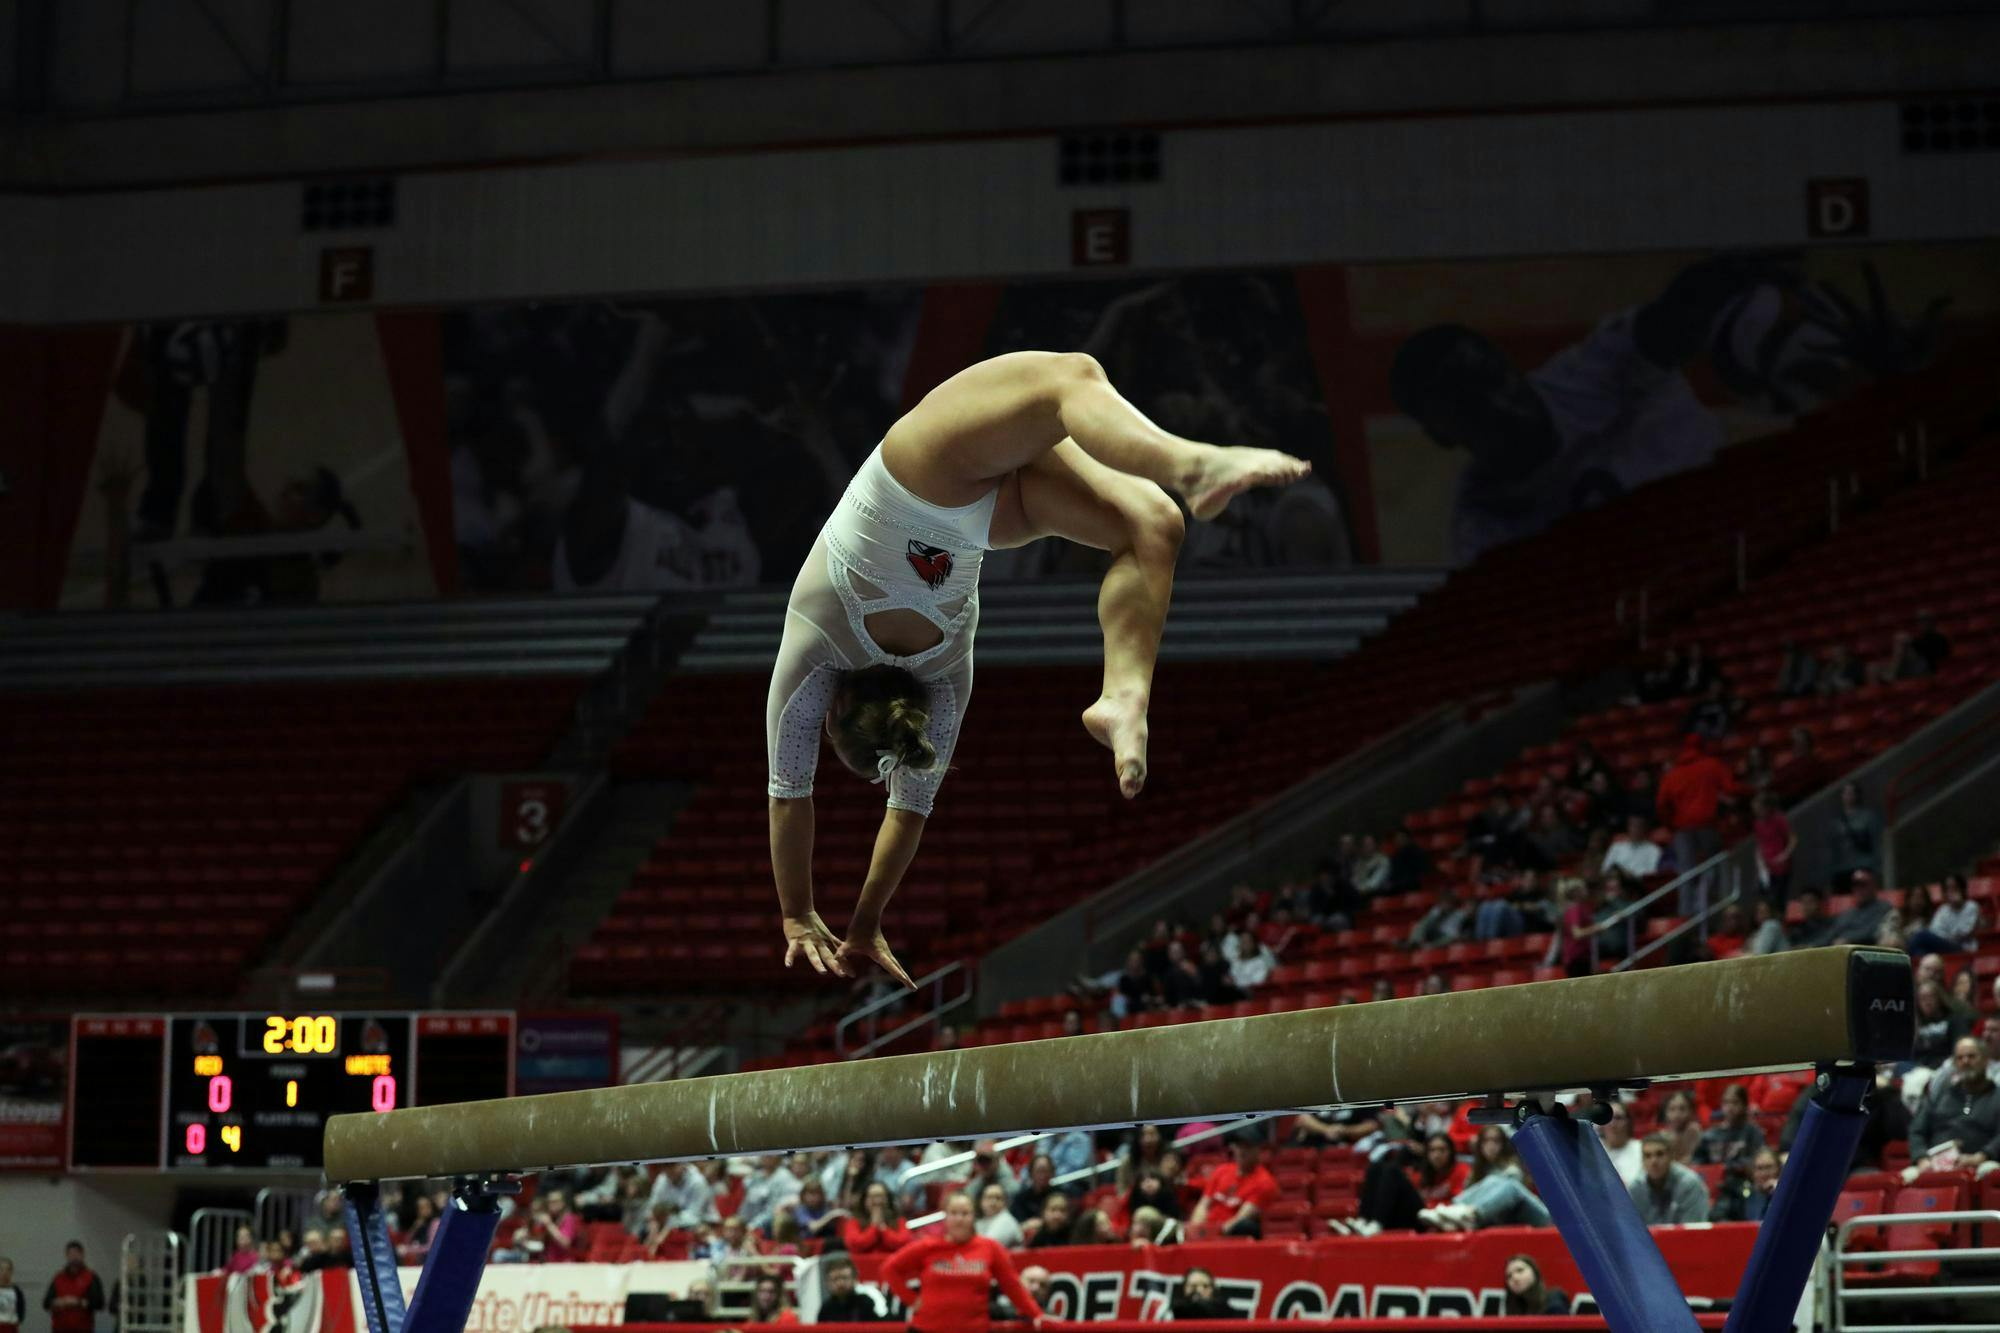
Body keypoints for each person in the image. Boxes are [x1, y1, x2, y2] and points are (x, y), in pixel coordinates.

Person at [767, 351, 1312, 986]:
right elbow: (789, 795)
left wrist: (849, 921)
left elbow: (905, 809)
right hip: (930, 480)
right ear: (835, 712)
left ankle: (1129, 689)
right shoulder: (817, 650)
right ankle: (1185, 489)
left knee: (1151, 522)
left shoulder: (942, 679)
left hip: (972, 510)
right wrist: (798, 913)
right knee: (1077, 393)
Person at [878, 1191, 1044, 1332]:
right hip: (927, 1328)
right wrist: (911, 1300)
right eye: (954, 1213)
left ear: (974, 1216)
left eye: (965, 1213)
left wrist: (1036, 1314)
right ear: (945, 1216)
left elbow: (1012, 1285)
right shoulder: (927, 1246)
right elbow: (889, 1269)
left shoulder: (990, 1248)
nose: (959, 1219)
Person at [1655, 734, 1741, 913]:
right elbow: (1731, 789)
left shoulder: (1673, 774)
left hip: (1683, 829)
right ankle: (1714, 909)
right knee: (1713, 865)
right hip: (1707, 825)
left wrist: (1672, 825)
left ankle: (1686, 915)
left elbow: (1661, 804)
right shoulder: (1712, 765)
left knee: (1686, 874)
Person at [1908, 1037, 2000, 1177]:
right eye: (1960, 1058)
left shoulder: (1997, 1096)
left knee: (1988, 1171)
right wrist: (1921, 1158)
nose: (1965, 1061)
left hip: (1981, 1163)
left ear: (1986, 1060)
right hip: (1934, 1164)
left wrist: (1982, 1156)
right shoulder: (1940, 1095)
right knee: (1907, 1177)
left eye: (1971, 1056)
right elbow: (1916, 1130)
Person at [1188, 1134, 1279, 1240]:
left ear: (1258, 1150)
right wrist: (1195, 1229)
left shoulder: (1265, 1182)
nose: (1241, 1151)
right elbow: (1203, 1204)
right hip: (1209, 1230)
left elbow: (1241, 1218)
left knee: (1245, 1226)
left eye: (1247, 1147)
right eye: (1238, 1146)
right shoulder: (1221, 1171)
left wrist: (1215, 1234)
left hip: (1232, 1234)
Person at [1628, 1135, 1711, 1226]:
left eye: (1660, 1154)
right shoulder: (1636, 1189)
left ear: (1671, 1156)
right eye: (1647, 1156)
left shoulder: (1690, 1185)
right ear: (1642, 1160)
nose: (1653, 1161)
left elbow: (1693, 1231)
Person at [1692, 1084, 1767, 1178]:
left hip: (1743, 1182)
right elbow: (1698, 1163)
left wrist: (1730, 1168)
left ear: (1744, 1105)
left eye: (1735, 1102)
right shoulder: (1709, 1135)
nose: (1730, 1107)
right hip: (1715, 1182)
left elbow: (1758, 1161)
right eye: (1726, 1102)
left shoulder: (1753, 1133)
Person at [1826, 783, 1884, 893]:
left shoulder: (1868, 817)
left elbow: (1876, 842)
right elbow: (1832, 847)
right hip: (1841, 868)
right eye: (1845, 793)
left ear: (1857, 795)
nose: (1848, 796)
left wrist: (1877, 867)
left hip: (1863, 864)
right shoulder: (1836, 820)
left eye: (1851, 793)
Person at [1911, 873, 1982, 956]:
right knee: (1920, 951)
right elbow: (1934, 930)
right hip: (1945, 944)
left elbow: (1965, 933)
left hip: (1964, 948)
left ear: (1962, 889)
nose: (1951, 892)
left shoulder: (1971, 906)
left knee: (1921, 936)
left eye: (1955, 888)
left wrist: (1957, 906)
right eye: (1948, 889)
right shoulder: (1943, 909)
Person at [837, 1182, 911, 1256]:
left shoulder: (899, 1221)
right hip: (863, 1265)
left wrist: (883, 1228)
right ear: (864, 1200)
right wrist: (873, 1227)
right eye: (872, 1197)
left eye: (881, 1196)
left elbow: (904, 1243)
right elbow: (855, 1244)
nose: (877, 1201)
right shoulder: (854, 1222)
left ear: (888, 1199)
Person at [1709, 1148, 1782, 1223]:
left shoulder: (1785, 1194)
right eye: (1759, 1168)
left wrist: (1779, 1193)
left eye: (1768, 1167)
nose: (1764, 1173)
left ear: (1778, 1169)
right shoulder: (1736, 1191)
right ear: (1753, 1171)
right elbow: (1717, 1216)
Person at [45, 1243, 105, 1333]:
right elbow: (46, 1303)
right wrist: (58, 1302)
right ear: (67, 1256)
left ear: (82, 1255)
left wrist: (77, 1302)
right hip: (59, 1328)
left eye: (77, 1253)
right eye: (71, 1254)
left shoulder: (91, 1277)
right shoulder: (58, 1278)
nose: (74, 1257)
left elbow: (99, 1303)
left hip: (83, 1328)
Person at [1751, 791, 1797, 905]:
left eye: (1759, 809)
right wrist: (1759, 862)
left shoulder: (1779, 819)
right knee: (1764, 897)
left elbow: (1793, 838)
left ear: (1766, 807)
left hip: (1781, 865)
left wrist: (1785, 855)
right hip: (1766, 866)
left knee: (1779, 897)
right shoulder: (1757, 823)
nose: (1757, 812)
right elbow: (1759, 844)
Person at [814, 1256, 880, 1323]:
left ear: (854, 1279)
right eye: (835, 1279)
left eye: (844, 1278)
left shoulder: (866, 1303)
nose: (840, 1283)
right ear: (827, 1282)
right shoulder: (826, 1309)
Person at [1595, 1100, 1645, 1187]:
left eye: (1618, 1118)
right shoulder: (1593, 1149)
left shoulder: (1641, 1148)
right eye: (1609, 1118)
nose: (1613, 1124)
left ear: (1628, 1122)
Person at [1501, 1254, 1568, 1317]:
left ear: (1534, 1272)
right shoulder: (1513, 1309)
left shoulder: (1554, 1298)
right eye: (1509, 1276)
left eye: (1520, 1270)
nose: (1514, 1277)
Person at [1658, 1090, 1704, 1163]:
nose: (1677, 1115)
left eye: (1682, 1109)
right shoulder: (1661, 1137)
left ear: (1691, 1111)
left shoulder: (1695, 1131)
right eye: (1672, 1109)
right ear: (1665, 1113)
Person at [975, 1182, 1025, 1249]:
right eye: (989, 1197)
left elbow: (987, 1247)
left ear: (1005, 1203)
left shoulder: (1006, 1221)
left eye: (998, 1198)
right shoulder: (981, 1221)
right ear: (981, 1202)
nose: (993, 1202)